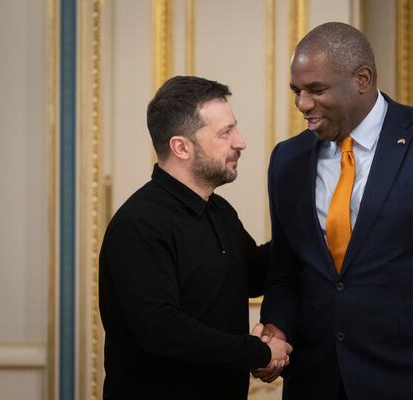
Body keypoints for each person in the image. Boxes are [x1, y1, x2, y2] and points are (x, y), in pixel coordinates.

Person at [256, 22, 413, 399]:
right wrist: (276, 327)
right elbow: (285, 273)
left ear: (362, 79)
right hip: (316, 383)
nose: (302, 104)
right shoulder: (287, 160)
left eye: (316, 90)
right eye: (296, 91)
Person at [99, 76, 292, 400]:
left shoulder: (219, 211)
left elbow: (255, 273)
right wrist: (258, 352)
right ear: (181, 147)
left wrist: (314, 229)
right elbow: (162, 330)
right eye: (225, 133)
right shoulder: (139, 224)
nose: (240, 142)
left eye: (235, 128)